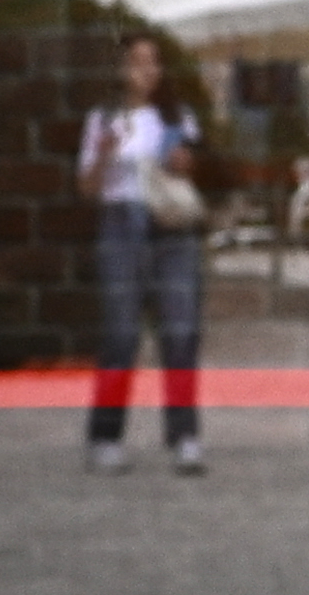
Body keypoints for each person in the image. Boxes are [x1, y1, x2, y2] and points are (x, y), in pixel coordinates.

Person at [78, 25, 212, 468]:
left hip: (170, 227)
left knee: (180, 332)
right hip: (120, 222)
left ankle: (184, 434)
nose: (146, 71)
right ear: (120, 68)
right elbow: (88, 188)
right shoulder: (104, 118)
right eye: (137, 61)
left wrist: (184, 161)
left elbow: (195, 174)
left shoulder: (177, 116)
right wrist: (102, 154)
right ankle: (105, 436)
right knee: (121, 334)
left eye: (153, 62)